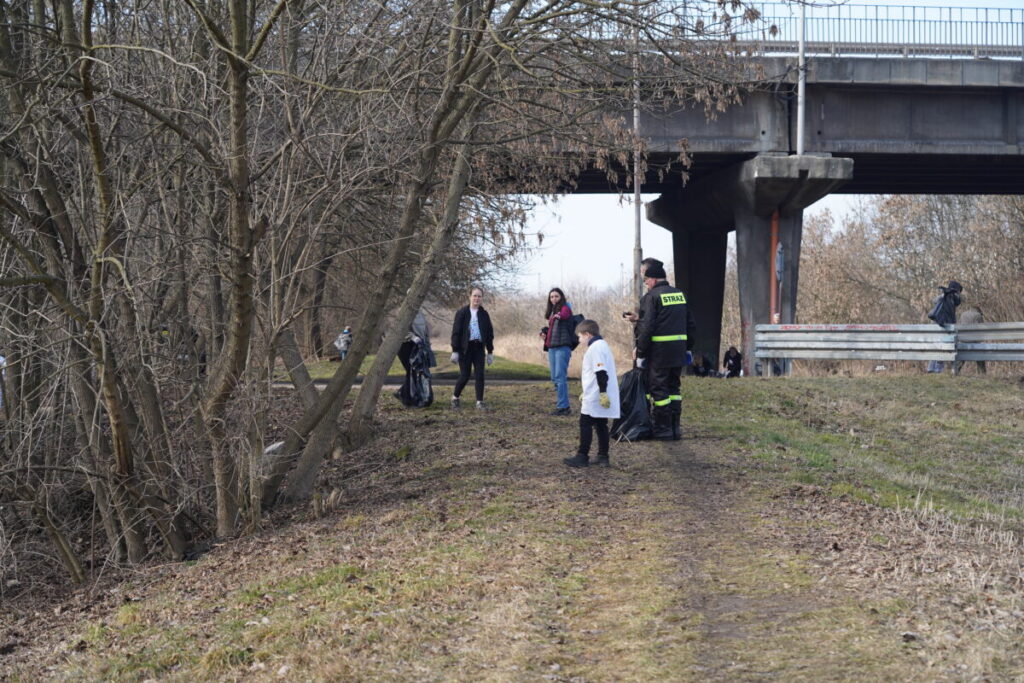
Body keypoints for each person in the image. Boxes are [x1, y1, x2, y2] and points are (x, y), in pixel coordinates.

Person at [635, 261, 696, 441]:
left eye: (646, 280)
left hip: (659, 352)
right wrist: (688, 347)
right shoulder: (679, 294)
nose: (646, 284)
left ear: (653, 279)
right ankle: (675, 427)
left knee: (658, 389)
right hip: (678, 351)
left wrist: (641, 352)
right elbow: (691, 324)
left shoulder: (651, 297)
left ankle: (663, 429)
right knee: (674, 388)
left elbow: (647, 328)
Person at [563, 320, 619, 468]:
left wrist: (602, 393)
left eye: (580, 337)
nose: (579, 340)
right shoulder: (602, 345)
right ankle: (603, 456)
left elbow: (601, 372)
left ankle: (582, 456)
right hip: (596, 391)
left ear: (587, 334)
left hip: (596, 394)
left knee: (585, 423)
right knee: (601, 424)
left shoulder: (595, 348)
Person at [450, 286, 494, 410]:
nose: (477, 298)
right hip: (465, 348)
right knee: (465, 375)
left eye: (479, 296)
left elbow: (489, 333)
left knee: (480, 375)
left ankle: (479, 402)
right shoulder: (462, 313)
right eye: (474, 296)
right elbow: (456, 332)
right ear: (470, 297)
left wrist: (490, 351)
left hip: (479, 348)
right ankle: (455, 398)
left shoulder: (484, 314)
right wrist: (455, 350)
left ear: (482, 298)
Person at [540, 287, 574, 416]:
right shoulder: (552, 312)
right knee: (554, 378)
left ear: (561, 297)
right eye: (552, 297)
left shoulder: (565, 307)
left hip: (562, 347)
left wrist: (558, 316)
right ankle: (563, 403)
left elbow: (564, 314)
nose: (554, 299)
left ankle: (563, 407)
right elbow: (553, 330)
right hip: (552, 347)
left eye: (556, 296)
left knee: (560, 377)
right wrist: (544, 333)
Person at [397, 310, 434, 406]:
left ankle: (404, 394)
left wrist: (427, 346)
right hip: (405, 345)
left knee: (414, 372)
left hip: (418, 346)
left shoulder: (421, 314)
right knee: (411, 370)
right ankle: (407, 398)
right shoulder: (405, 311)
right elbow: (401, 328)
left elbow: (425, 332)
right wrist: (412, 337)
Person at [926, 280, 962, 373]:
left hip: (936, 324)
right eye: (959, 291)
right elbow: (952, 315)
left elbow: (934, 301)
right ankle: (938, 370)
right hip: (944, 325)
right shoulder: (952, 298)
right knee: (943, 347)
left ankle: (931, 368)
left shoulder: (943, 296)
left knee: (936, 346)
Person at [954, 305, 987, 375]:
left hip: (963, 341)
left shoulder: (963, 314)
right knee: (980, 355)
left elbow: (958, 326)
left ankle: (956, 371)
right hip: (974, 341)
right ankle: (982, 373)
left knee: (962, 356)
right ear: (978, 311)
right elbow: (982, 329)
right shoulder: (978, 315)